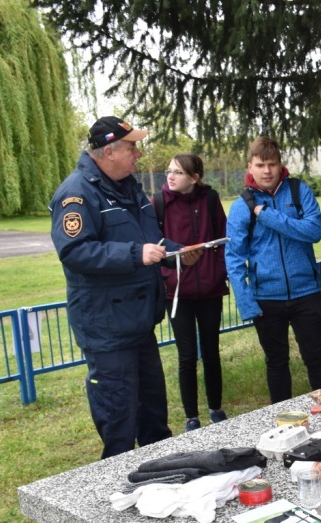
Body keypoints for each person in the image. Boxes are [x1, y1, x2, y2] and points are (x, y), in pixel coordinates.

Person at [49, 116, 196, 458]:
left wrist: (177, 252)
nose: (138, 154)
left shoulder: (129, 187)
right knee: (119, 424)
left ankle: (161, 476)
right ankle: (116, 483)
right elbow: (75, 251)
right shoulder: (76, 194)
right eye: (132, 147)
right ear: (109, 152)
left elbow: (150, 240)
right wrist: (134, 254)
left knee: (154, 419)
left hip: (139, 321)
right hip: (107, 329)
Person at [224, 136, 321, 403]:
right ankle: (282, 419)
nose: (267, 171)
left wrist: (267, 215)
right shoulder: (242, 206)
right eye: (260, 165)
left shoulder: (298, 191)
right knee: (276, 362)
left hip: (306, 292)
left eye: (272, 164)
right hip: (266, 298)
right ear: (249, 166)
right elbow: (234, 258)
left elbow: (314, 231)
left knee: (317, 358)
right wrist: (247, 303)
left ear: (280, 164)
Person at [156, 154, 229, 432]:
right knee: (186, 355)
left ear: (194, 177)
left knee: (211, 351)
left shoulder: (210, 199)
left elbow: (224, 238)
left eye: (178, 172)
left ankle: (215, 408)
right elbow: (155, 242)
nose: (170, 176)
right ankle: (191, 417)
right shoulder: (159, 202)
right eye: (169, 171)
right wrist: (169, 274)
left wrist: (218, 271)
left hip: (210, 289)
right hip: (177, 292)